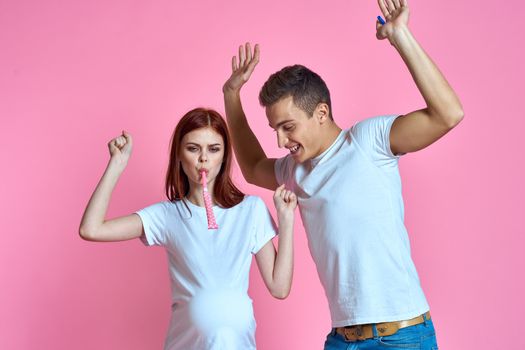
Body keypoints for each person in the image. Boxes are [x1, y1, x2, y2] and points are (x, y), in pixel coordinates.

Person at [222, 0, 463, 348]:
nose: (280, 140)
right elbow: (252, 167)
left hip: (401, 336)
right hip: (342, 339)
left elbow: (448, 114)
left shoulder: (368, 141)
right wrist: (231, 94)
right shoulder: (295, 170)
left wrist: (400, 36)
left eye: (288, 127)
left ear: (321, 113)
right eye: (274, 129)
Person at [79, 108, 297, 350]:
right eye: (193, 148)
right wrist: (116, 165)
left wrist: (286, 222)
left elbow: (279, 287)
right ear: (179, 156)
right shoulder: (166, 215)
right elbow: (92, 229)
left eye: (214, 149)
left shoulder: (251, 210)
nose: (203, 158)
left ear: (224, 156)